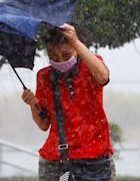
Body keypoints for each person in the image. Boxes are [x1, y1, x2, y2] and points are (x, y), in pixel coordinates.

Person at [22, 23, 116, 181]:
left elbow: (103, 76)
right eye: (53, 57)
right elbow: (43, 124)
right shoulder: (44, 77)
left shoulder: (89, 67)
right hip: (56, 160)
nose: (60, 61)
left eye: (66, 55)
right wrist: (33, 104)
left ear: (76, 50)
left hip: (96, 158)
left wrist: (76, 42)